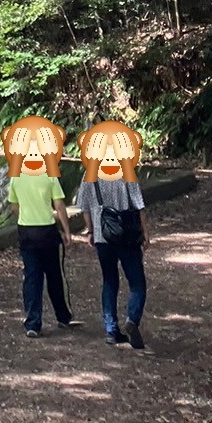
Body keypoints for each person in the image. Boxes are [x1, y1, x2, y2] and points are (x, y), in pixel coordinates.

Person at [76, 121, 150, 350]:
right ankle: (132, 319)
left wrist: (90, 230)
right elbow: (139, 208)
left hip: (103, 237)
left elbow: (85, 208)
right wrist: (146, 234)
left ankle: (111, 330)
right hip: (127, 236)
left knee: (110, 282)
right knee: (137, 283)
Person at [2, 116, 76, 337]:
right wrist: (67, 231)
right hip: (47, 230)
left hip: (26, 231)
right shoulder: (49, 176)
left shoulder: (16, 178)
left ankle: (33, 322)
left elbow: (14, 207)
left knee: (32, 276)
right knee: (54, 275)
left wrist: (25, 214)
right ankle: (63, 316)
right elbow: (60, 205)